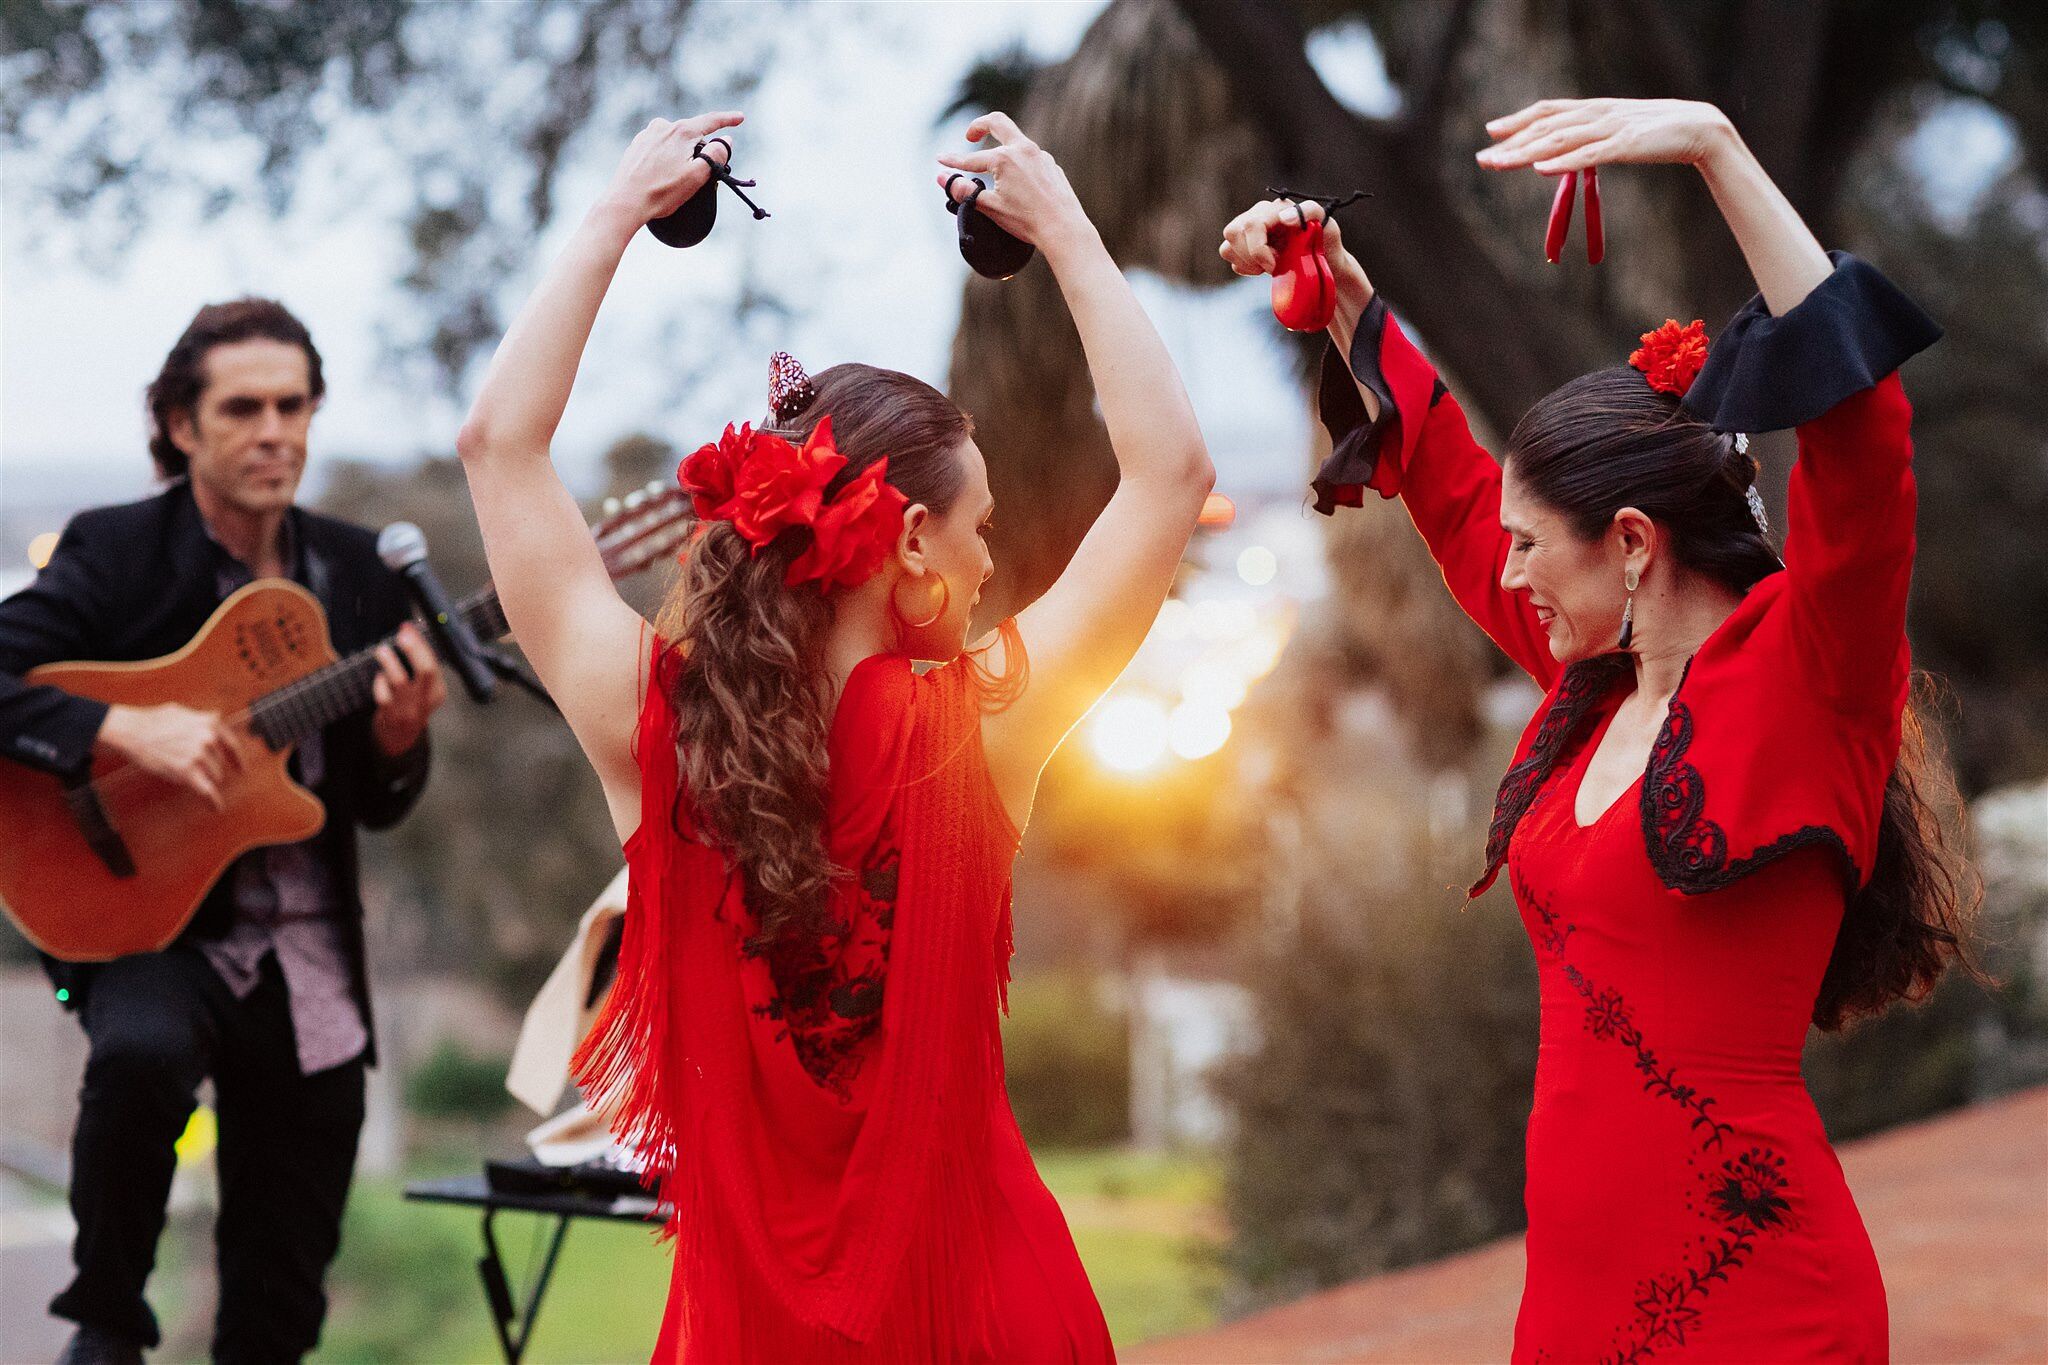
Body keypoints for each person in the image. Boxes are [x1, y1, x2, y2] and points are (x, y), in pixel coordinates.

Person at [1222, 97, 1974, 1361]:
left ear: (1629, 545)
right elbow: (1455, 502)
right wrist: (1346, 299)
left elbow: (1860, 435)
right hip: (1571, 1302)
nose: (1506, 573)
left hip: (1761, 1302)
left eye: (1534, 546)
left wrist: (1714, 149)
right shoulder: (1589, 698)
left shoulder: (1810, 679)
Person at [455, 109, 1213, 1361]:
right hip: (986, 1317)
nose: (985, 564)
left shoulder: (647, 723)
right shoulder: (980, 730)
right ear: (911, 541)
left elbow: (498, 449)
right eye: (975, 529)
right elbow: (1169, 472)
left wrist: (614, 216)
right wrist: (1064, 225)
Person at [0, 298, 446, 1365]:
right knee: (142, 1053)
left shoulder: (358, 571)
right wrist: (121, 726)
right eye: (242, 408)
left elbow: (381, 804)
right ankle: (104, 1323)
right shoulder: (116, 552)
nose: (275, 431)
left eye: (293, 406)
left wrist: (396, 738)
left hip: (310, 952)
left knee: (281, 1301)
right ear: (182, 427)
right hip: (156, 925)